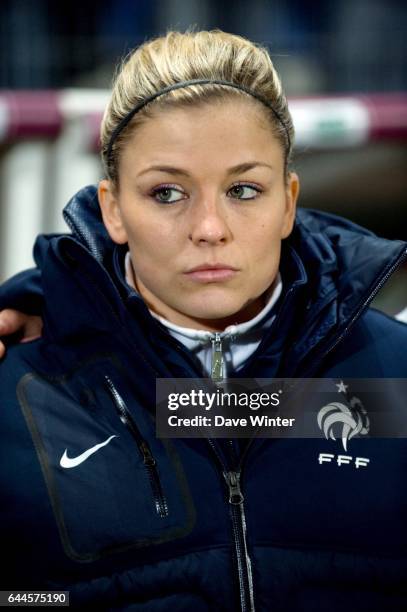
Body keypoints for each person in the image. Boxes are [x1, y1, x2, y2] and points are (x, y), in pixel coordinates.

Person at [1, 29, 407, 612]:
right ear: (113, 209)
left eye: (244, 189)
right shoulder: (17, 391)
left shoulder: (396, 376)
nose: (210, 228)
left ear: (288, 201)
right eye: (167, 193)